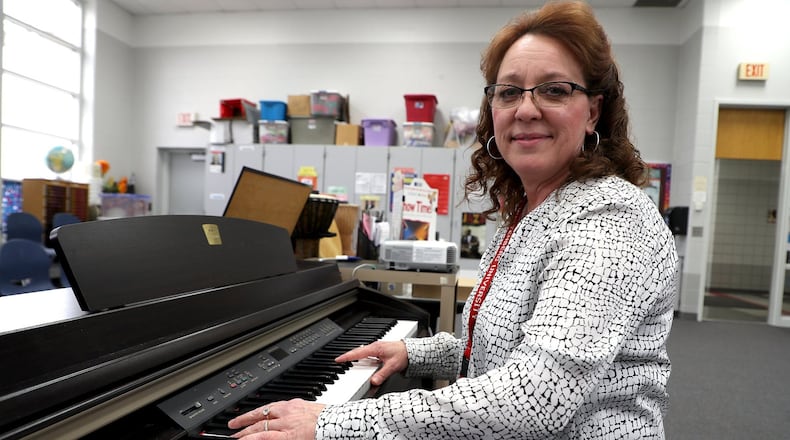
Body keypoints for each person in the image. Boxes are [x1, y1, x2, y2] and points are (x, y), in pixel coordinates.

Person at [228, 1, 679, 438]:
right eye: (509, 92)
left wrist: (333, 422)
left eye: (554, 90)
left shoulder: (610, 220)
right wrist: (414, 352)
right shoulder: (530, 209)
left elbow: (532, 400)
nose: (525, 109)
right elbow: (496, 349)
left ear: (593, 112)